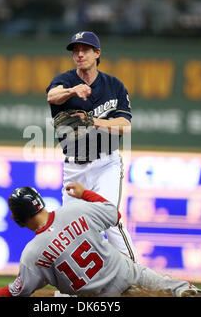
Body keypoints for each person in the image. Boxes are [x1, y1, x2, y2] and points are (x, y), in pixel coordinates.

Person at [0, 182, 201, 297]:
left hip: (98, 297)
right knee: (161, 284)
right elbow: (114, 213)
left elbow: (16, 293)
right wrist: (86, 193)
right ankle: (183, 292)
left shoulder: (33, 254)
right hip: (125, 273)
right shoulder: (75, 209)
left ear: (19, 216)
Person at [46, 31, 137, 263]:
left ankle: (135, 276)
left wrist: (94, 121)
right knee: (70, 228)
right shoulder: (64, 81)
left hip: (106, 162)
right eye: (75, 50)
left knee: (109, 217)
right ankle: (75, 286)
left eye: (85, 49)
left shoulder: (114, 85)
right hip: (74, 167)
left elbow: (124, 125)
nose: (79, 54)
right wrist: (72, 91)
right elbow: (52, 96)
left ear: (97, 53)